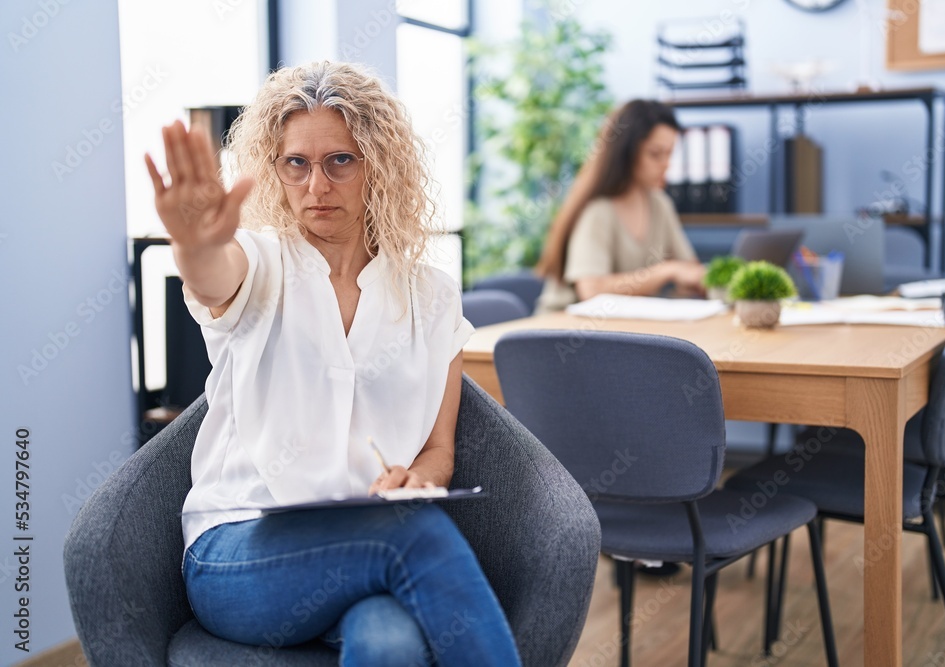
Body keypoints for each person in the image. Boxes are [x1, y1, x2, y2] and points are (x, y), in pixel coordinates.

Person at [144, 61, 521, 666]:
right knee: (418, 536)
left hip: (369, 547)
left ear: (380, 164)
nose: (316, 187)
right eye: (297, 163)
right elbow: (215, 278)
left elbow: (437, 451)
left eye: (340, 161)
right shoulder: (262, 264)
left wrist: (416, 482)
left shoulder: (431, 295)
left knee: (389, 640)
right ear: (277, 170)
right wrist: (195, 245)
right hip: (237, 555)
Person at [535, 99, 706, 313]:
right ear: (626, 153)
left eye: (669, 153)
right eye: (655, 154)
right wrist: (666, 271)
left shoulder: (660, 204)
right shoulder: (598, 211)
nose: (666, 164)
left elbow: (688, 268)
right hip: (559, 333)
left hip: (621, 332)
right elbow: (591, 290)